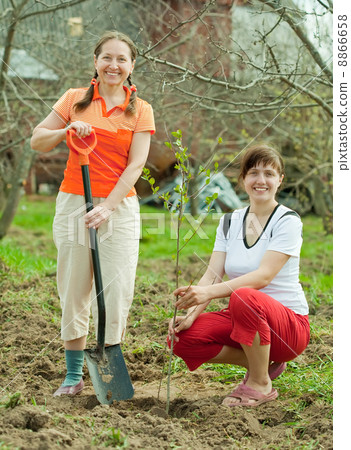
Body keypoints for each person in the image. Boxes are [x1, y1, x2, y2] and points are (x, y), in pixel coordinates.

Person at [31, 30, 155, 397]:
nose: (113, 65)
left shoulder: (141, 110)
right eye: (107, 57)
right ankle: (73, 374)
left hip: (118, 206)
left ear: (132, 66)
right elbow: (37, 140)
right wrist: (66, 128)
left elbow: (136, 166)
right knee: (73, 286)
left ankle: (106, 361)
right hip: (73, 201)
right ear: (95, 62)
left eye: (121, 59)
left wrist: (106, 207)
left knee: (116, 289)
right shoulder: (73, 99)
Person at [168, 144, 310, 407]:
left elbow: (263, 277)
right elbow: (211, 275)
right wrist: (189, 313)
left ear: (279, 180)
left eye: (269, 173)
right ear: (243, 179)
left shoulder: (288, 221)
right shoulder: (230, 221)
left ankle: (260, 384)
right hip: (247, 321)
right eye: (253, 173)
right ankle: (262, 363)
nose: (261, 180)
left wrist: (208, 293)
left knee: (244, 296)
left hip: (288, 328)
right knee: (180, 338)